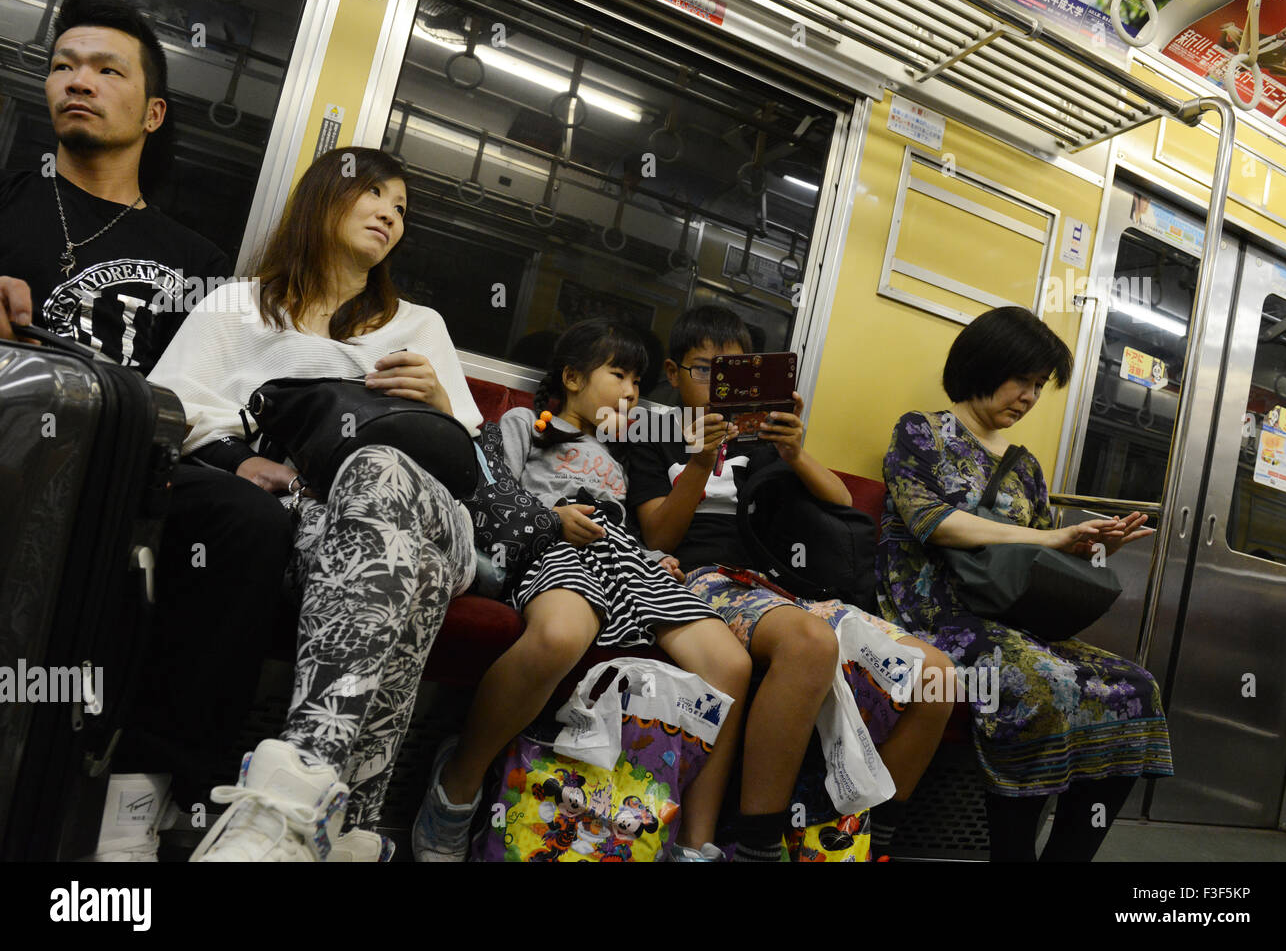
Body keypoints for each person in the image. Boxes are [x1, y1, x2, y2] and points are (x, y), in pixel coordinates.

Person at [0, 0, 289, 861]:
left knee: (246, 523)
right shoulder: (8, 202)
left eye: (105, 68)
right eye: (62, 64)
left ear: (152, 111)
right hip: (16, 434)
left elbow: (198, 394)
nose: (77, 81)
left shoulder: (194, 259)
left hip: (134, 454)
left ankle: (145, 797)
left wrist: (235, 458)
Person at [148, 146, 483, 862]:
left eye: (403, 206)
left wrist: (442, 403)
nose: (392, 213)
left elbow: (475, 468)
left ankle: (287, 797)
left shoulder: (419, 325)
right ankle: (350, 825)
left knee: (382, 469)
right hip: (316, 521)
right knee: (400, 561)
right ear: (323, 197)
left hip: (437, 511)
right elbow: (173, 409)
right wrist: (245, 461)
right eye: (377, 194)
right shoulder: (239, 305)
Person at [413, 317, 752, 862]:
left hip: (624, 556)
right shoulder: (527, 423)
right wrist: (551, 517)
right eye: (619, 375)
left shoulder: (623, 452)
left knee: (730, 666)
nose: (631, 392)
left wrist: (655, 555)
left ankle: (692, 843)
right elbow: (488, 488)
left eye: (638, 383)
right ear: (572, 378)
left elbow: (634, 525)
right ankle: (457, 784)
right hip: (554, 545)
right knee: (560, 637)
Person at [627, 305, 955, 859]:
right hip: (705, 576)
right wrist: (701, 464)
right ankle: (757, 844)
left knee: (937, 677)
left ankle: (871, 842)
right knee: (808, 642)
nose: (719, 387)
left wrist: (794, 453)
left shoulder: (760, 439)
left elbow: (845, 505)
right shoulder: (654, 431)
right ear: (674, 372)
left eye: (735, 375)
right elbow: (659, 535)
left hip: (785, 585)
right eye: (705, 370)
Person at [877, 305, 1173, 862]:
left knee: (1138, 691)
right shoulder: (923, 432)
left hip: (1008, 617)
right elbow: (931, 523)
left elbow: (1035, 560)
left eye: (1040, 386)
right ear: (984, 364)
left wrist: (1090, 547)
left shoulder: (1026, 468)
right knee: (1042, 684)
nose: (1030, 397)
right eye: (1024, 380)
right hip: (937, 615)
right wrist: (1050, 541)